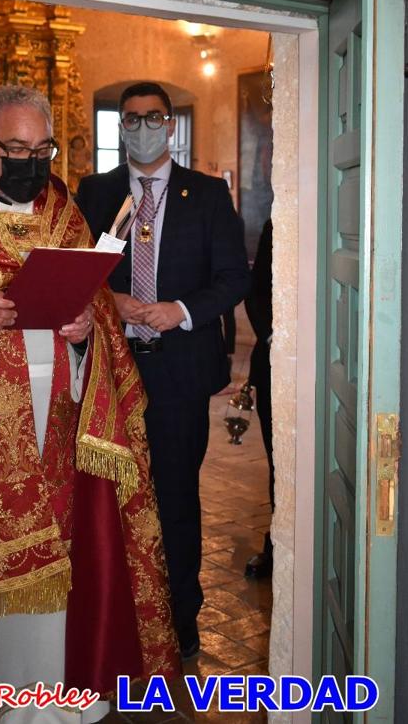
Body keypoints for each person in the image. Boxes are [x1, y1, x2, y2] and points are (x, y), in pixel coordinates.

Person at [0, 85, 179, 724]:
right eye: (17, 148)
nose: (32, 161)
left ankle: (49, 705)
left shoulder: (62, 210)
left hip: (59, 430)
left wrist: (83, 333)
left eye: (42, 148)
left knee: (62, 580)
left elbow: (96, 304)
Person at [76, 82, 250, 660]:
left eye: (153, 118)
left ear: (169, 125)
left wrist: (178, 311)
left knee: (174, 497)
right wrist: (110, 301)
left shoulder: (204, 194)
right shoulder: (95, 192)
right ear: (120, 126)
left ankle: (179, 615)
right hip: (111, 368)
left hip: (177, 371)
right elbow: (76, 270)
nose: (141, 127)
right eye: (131, 119)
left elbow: (232, 278)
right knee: (109, 496)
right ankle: (119, 615)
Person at [244, 218, 273, 578]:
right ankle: (277, 541)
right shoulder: (275, 224)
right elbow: (257, 291)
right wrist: (272, 338)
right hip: (272, 363)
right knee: (278, 462)